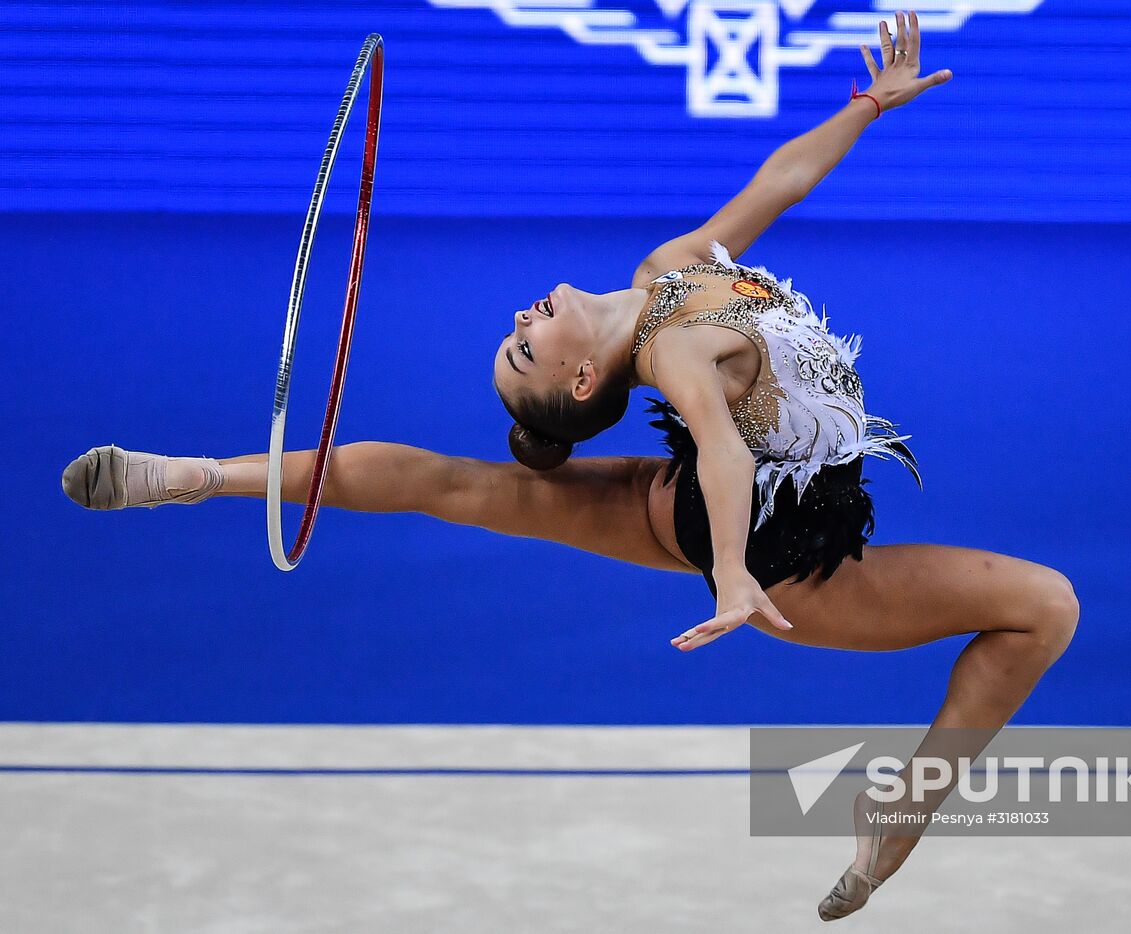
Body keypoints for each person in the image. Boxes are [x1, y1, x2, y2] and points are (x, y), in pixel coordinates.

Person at [61, 11, 1078, 921]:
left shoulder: (668, 276)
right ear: (585, 373)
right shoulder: (675, 345)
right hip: (778, 565)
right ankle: (903, 811)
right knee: (1045, 605)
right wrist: (730, 570)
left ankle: (192, 474)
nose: (517, 320)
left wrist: (864, 105)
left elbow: (779, 182)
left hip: (678, 505)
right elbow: (721, 447)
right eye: (521, 351)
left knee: (456, 486)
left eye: (511, 338)